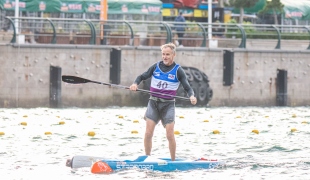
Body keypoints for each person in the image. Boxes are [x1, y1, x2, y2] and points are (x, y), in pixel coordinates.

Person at [129, 43, 197, 161]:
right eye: (163, 54)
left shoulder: (178, 70)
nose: (165, 57)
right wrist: (135, 84)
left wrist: (192, 96)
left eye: (167, 54)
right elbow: (142, 76)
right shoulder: (155, 67)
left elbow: (187, 87)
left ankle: (173, 161)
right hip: (153, 103)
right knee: (148, 134)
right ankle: (147, 158)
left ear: (173, 55)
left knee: (170, 135)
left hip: (168, 105)